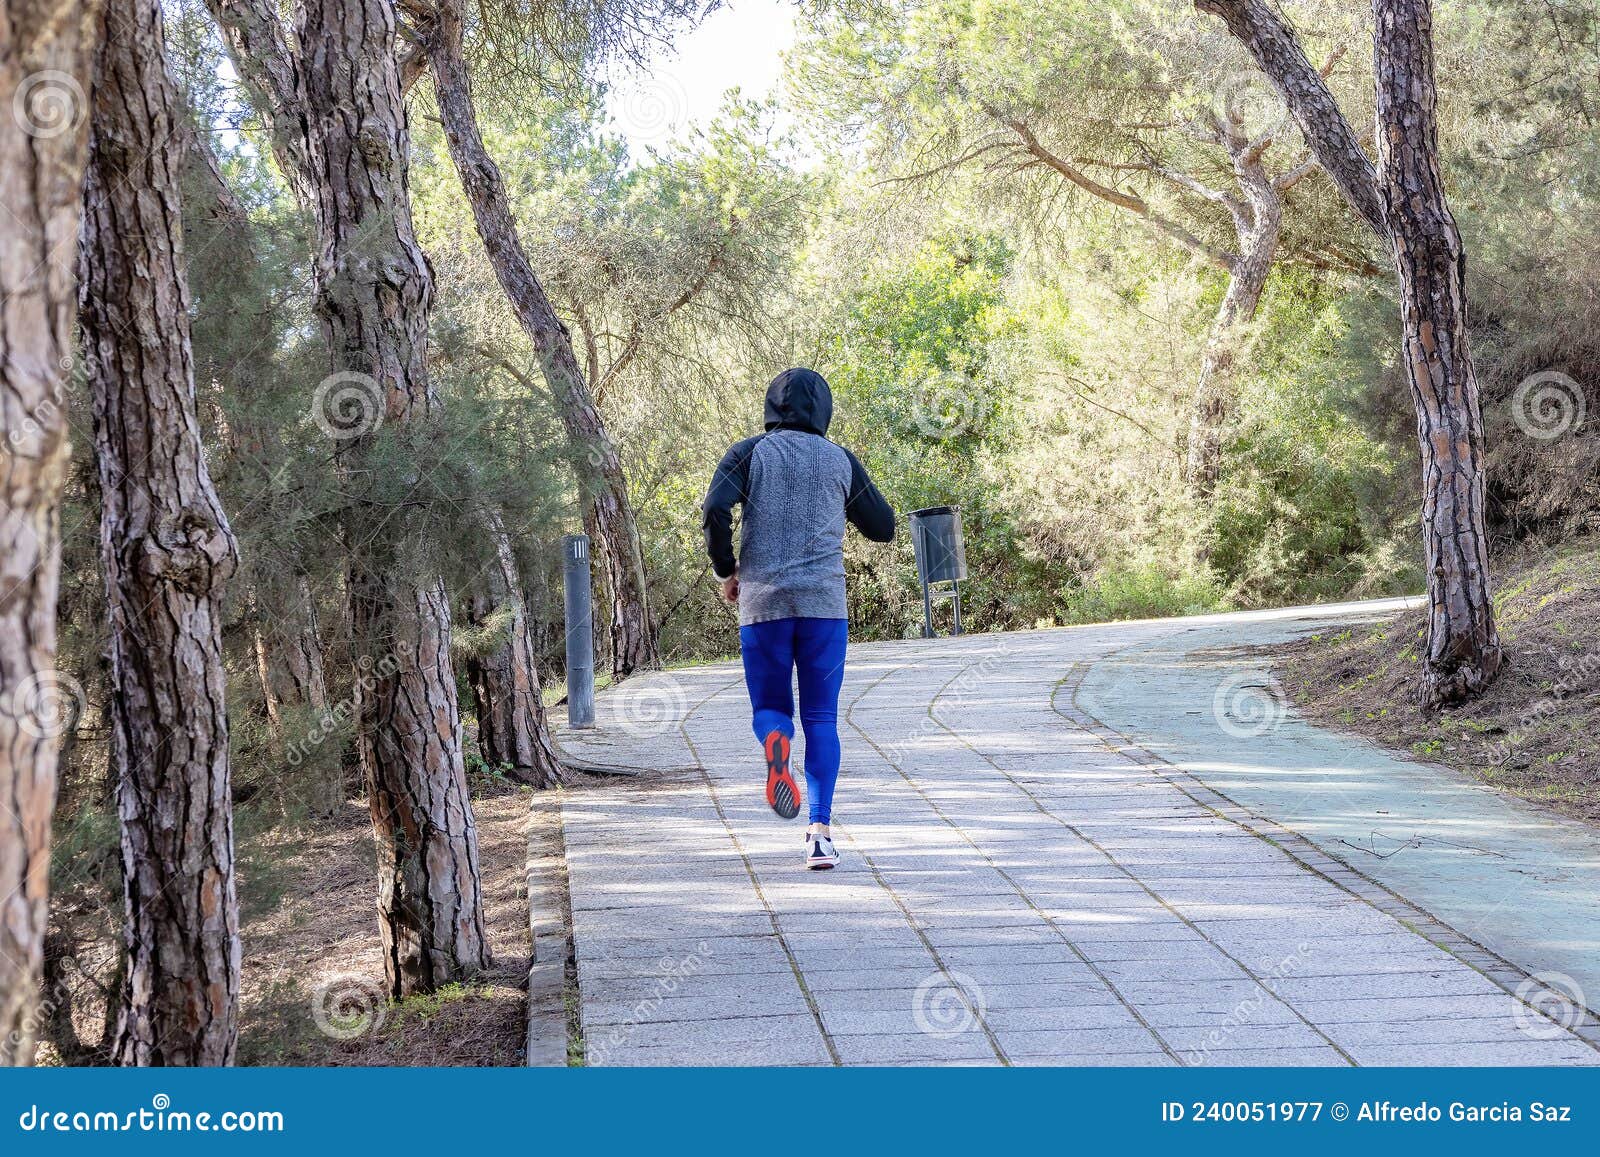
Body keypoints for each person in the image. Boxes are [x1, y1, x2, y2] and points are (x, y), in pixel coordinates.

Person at [702, 367, 896, 869]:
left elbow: (714, 510)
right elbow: (883, 527)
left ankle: (775, 745)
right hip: (824, 611)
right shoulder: (839, 460)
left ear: (771, 407)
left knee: (772, 708)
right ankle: (819, 834)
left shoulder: (747, 453)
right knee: (823, 719)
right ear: (824, 410)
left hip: (762, 606)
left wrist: (728, 569)